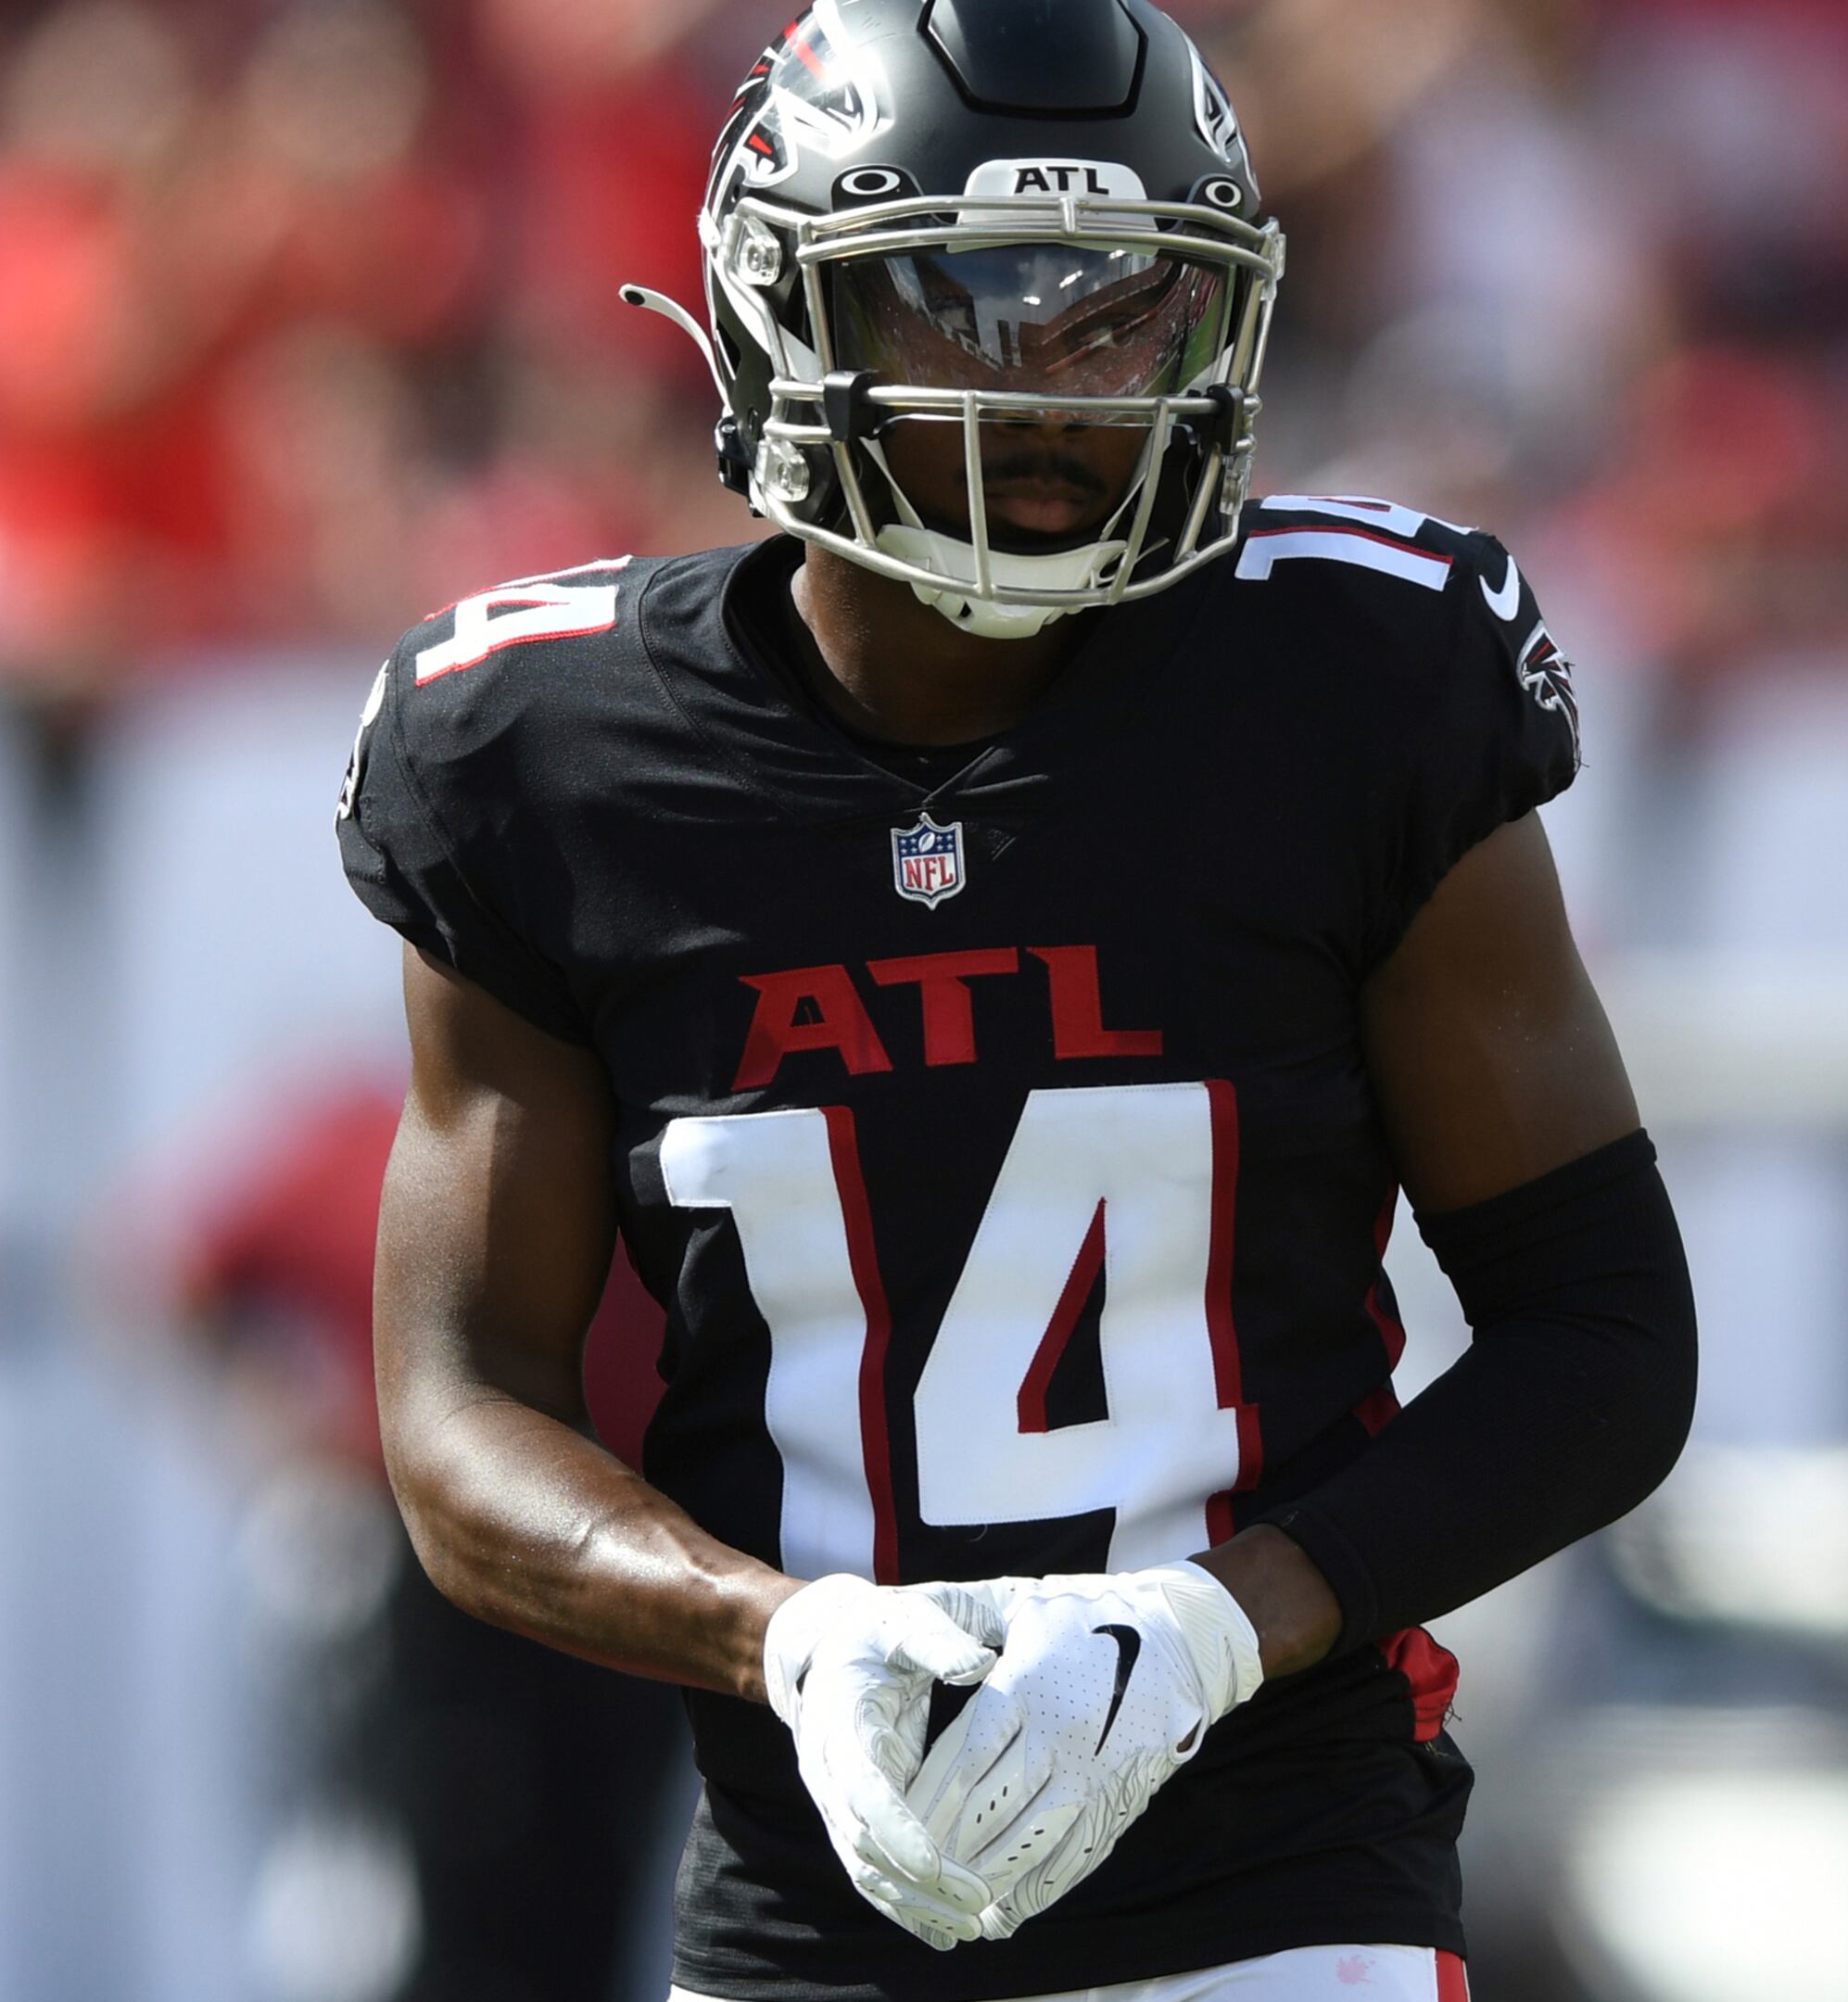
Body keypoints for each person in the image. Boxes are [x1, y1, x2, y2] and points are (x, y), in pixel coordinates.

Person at [334, 6, 1700, 2000]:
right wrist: (774, 1635)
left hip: (1282, 1888)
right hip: (814, 1916)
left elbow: (1606, 1333)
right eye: (965, 305)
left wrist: (1225, 1626)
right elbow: (458, 1409)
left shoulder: (1355, 692)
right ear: (781, 313)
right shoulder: (545, 761)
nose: (1052, 394)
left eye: (1122, 316)